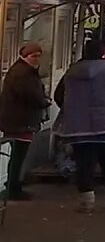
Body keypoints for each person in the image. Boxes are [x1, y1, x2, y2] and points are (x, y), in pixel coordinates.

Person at [54, 39, 105, 213]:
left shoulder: (71, 72)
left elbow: (59, 96)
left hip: (78, 127)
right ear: (102, 53)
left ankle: (86, 200)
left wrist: (74, 110)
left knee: (84, 163)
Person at [1, 42, 51, 201]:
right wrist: (45, 101)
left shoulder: (22, 70)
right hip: (20, 120)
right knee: (18, 154)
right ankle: (13, 187)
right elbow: (31, 95)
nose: (36, 59)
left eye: (38, 56)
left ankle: (14, 185)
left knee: (18, 154)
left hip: (18, 119)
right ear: (25, 56)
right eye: (33, 56)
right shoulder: (23, 73)